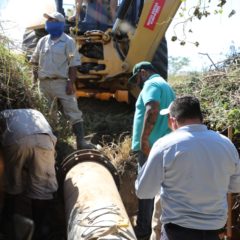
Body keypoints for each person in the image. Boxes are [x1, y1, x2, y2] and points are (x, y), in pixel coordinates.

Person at [135, 96, 240, 240]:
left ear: (173, 121)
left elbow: (144, 191)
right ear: (201, 118)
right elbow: (236, 185)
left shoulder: (165, 145)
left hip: (177, 233)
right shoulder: (225, 144)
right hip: (213, 233)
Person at [30, 11, 94, 150]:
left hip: (62, 83)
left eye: (52, 21)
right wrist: (33, 82)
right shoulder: (42, 41)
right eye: (48, 21)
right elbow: (34, 62)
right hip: (44, 84)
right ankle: (54, 144)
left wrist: (71, 82)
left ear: (60, 24)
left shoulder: (68, 42)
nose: (48, 23)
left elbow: (73, 64)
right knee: (48, 115)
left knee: (73, 112)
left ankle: (81, 142)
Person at [128, 61, 175, 240]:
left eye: (137, 78)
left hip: (151, 146)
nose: (138, 83)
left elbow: (152, 107)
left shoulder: (151, 84)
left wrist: (144, 139)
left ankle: (143, 230)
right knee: (160, 190)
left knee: (147, 187)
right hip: (164, 145)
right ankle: (158, 229)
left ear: (142, 73)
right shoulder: (167, 87)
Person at [0, 109, 58, 239]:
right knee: (42, 186)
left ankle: (7, 222)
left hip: (16, 139)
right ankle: (40, 228)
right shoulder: (37, 112)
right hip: (45, 138)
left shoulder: (4, 114)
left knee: (12, 180)